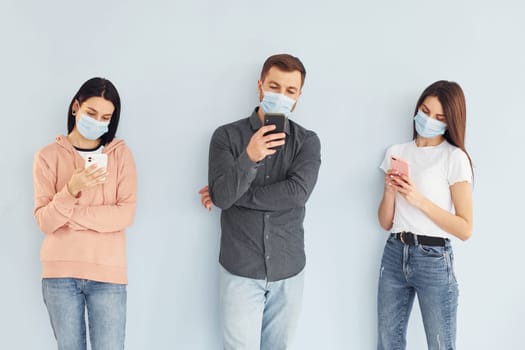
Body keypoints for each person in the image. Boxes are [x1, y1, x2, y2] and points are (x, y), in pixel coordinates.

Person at [198, 54, 321, 349]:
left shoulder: (307, 141)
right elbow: (224, 197)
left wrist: (237, 195)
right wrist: (249, 157)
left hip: (288, 269)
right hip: (240, 269)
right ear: (260, 86)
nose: (281, 96)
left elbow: (297, 193)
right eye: (274, 87)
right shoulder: (226, 137)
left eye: (290, 91)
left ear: (299, 97)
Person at [33, 77, 137, 350]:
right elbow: (45, 221)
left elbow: (124, 215)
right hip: (60, 275)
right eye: (91, 113)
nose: (98, 121)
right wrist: (71, 189)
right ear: (75, 107)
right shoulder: (47, 157)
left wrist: (69, 212)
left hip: (108, 276)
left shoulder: (121, 156)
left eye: (106, 117)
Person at [377, 80, 473, 350]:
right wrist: (389, 192)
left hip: (433, 258)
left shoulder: (454, 158)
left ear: (449, 122)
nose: (429, 120)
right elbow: (385, 222)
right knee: (387, 343)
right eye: (425, 110)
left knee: (441, 345)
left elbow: (465, 228)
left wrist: (418, 200)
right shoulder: (396, 152)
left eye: (439, 117)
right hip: (395, 252)